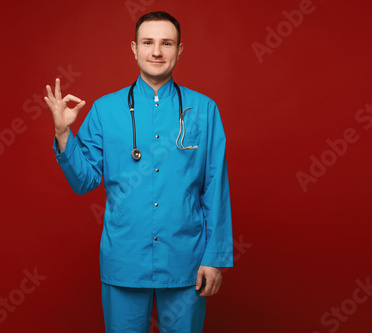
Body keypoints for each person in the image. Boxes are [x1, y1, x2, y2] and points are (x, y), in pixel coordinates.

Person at [45, 11, 233, 333]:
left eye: (166, 43)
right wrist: (64, 135)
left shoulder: (204, 110)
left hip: (185, 260)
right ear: (134, 48)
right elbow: (85, 180)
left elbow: (215, 188)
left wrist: (214, 258)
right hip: (125, 258)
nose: (157, 52)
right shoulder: (105, 109)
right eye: (148, 42)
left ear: (179, 50)